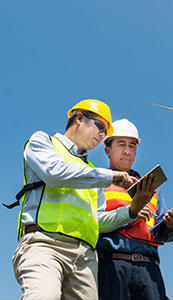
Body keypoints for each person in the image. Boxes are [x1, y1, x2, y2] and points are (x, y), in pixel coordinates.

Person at [11, 99, 155, 300]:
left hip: (85, 258)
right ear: (79, 118)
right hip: (45, 244)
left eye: (105, 132)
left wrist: (131, 211)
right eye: (100, 126)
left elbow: (98, 221)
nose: (102, 135)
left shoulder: (91, 173)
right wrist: (111, 176)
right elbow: (54, 173)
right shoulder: (43, 142)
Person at [96, 119, 173, 300]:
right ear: (107, 150)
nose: (127, 150)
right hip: (111, 266)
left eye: (132, 146)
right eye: (121, 144)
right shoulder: (97, 183)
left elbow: (161, 234)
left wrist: (171, 227)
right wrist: (131, 213)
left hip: (149, 268)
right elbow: (91, 223)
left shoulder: (151, 187)